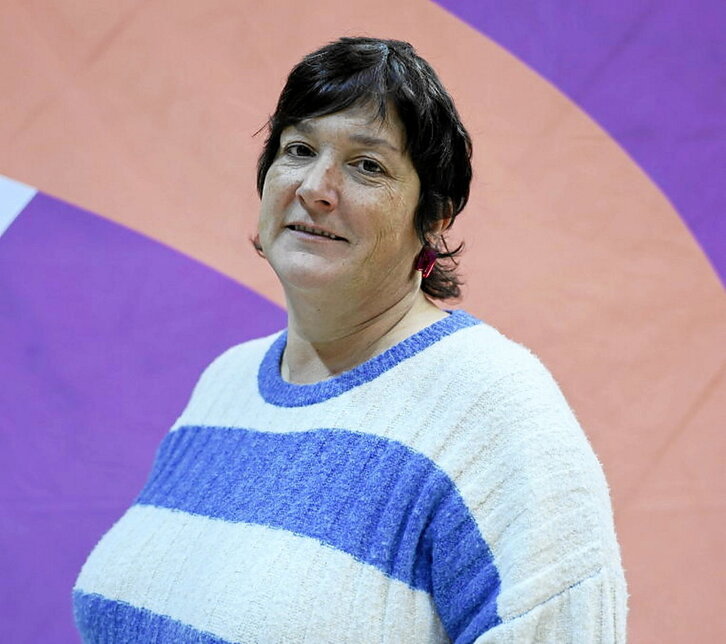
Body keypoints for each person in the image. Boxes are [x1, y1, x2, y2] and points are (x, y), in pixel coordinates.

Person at [73, 37, 628, 642]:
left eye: (368, 165)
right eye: (299, 149)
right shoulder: (225, 382)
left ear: (434, 216)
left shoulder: (493, 408)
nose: (316, 186)